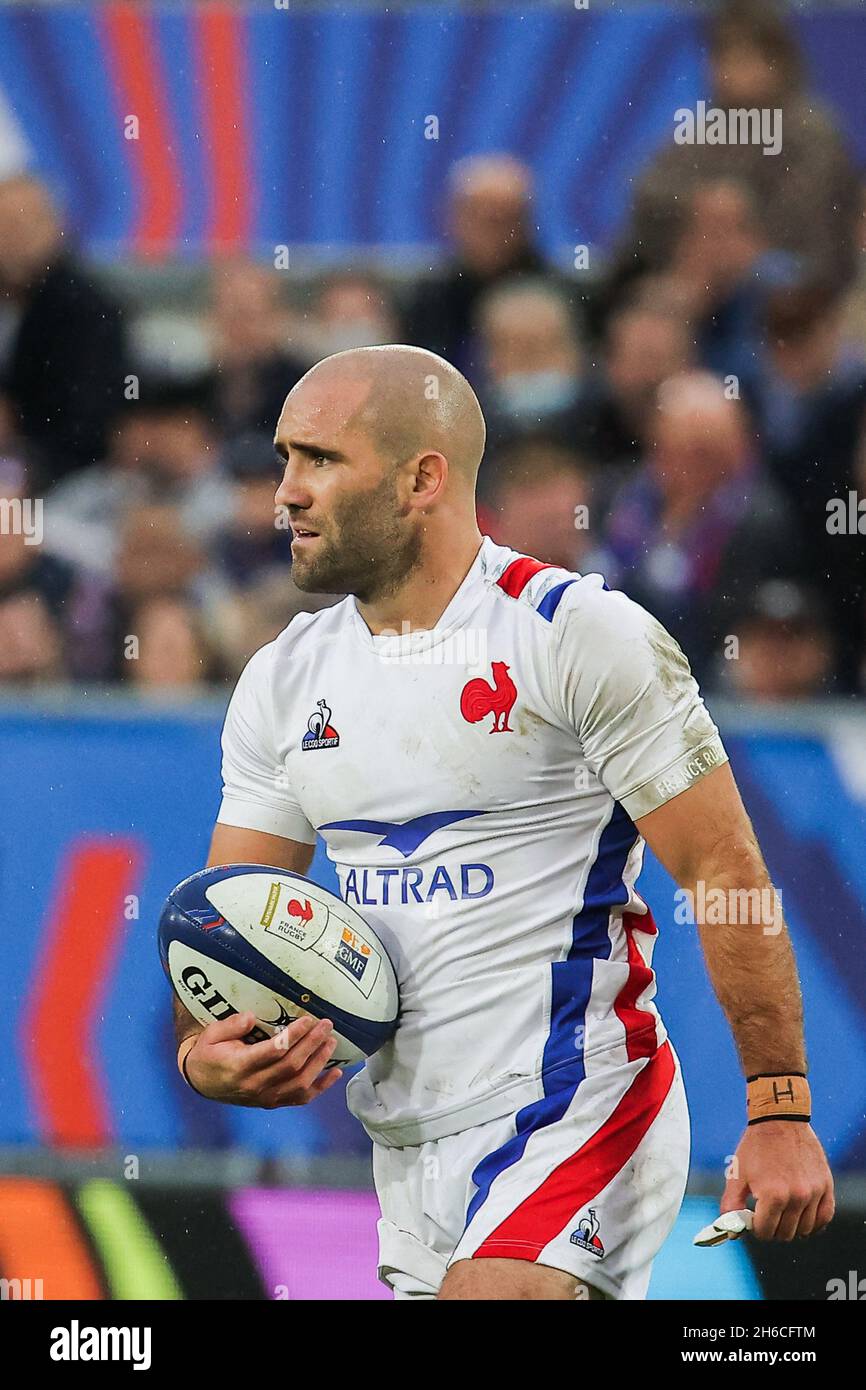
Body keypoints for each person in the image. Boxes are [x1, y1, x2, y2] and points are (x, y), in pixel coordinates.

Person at [170, 345, 833, 1301]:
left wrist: (777, 1109)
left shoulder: (576, 634)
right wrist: (207, 1054)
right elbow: (229, 922)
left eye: (319, 459)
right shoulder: (283, 678)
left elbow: (725, 873)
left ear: (422, 480)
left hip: (579, 1102)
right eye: (284, 459)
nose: (285, 494)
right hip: (407, 1141)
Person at [0, 175, 128, 484]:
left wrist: (20, 460)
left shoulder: (88, 312)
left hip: (65, 481)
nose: (16, 240)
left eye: (26, 225)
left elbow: (87, 427)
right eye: (5, 228)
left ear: (55, 228)